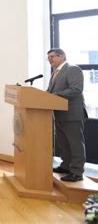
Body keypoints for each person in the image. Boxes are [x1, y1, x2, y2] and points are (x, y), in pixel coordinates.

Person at [47, 48, 87, 182]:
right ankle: (65, 166)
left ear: (62, 56)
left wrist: (53, 96)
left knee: (75, 143)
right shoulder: (55, 73)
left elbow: (76, 89)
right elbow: (49, 92)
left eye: (52, 56)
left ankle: (77, 171)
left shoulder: (72, 69)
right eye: (48, 58)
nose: (50, 59)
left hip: (72, 113)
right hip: (58, 114)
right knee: (63, 143)